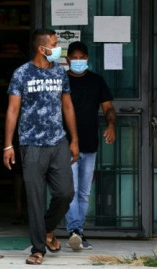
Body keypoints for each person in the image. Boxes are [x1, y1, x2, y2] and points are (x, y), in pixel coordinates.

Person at [4, 28, 80, 265]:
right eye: (55, 44)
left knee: (66, 192)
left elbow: (67, 107)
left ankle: (46, 229)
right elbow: (13, 110)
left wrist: (74, 139)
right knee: (35, 198)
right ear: (42, 48)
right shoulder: (22, 74)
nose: (59, 49)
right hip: (31, 144)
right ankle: (38, 249)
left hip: (58, 142)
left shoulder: (60, 73)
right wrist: (8, 145)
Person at [62, 41, 116, 250]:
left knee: (84, 192)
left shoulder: (97, 81)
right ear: (67, 61)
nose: (77, 61)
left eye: (81, 58)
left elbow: (108, 107)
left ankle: (78, 232)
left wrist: (111, 124)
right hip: (66, 144)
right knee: (70, 190)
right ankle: (75, 231)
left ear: (87, 59)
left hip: (90, 144)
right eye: (73, 58)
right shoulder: (61, 81)